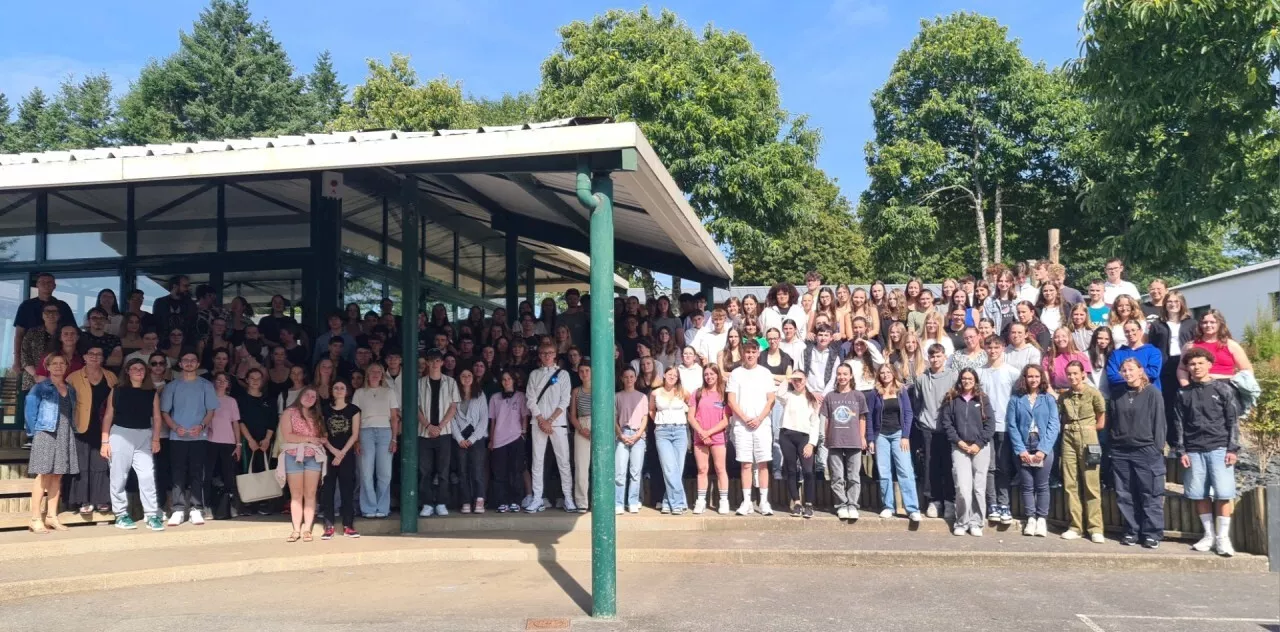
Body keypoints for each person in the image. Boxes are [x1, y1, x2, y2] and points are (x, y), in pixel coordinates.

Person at [1174, 347, 1242, 557]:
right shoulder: (1183, 393)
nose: (1196, 367)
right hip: (1194, 450)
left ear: (1209, 364)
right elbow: (1178, 423)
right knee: (1199, 494)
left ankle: (1223, 538)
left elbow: (1233, 420)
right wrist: (1181, 450)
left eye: (1200, 363)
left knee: (1223, 494)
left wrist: (1232, 448)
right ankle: (1208, 535)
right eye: (1192, 364)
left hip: (1220, 448)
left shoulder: (1223, 389)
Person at [101, 358, 165, 531]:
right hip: (120, 434)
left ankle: (151, 515)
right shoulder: (117, 390)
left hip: (144, 435)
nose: (138, 371)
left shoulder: (151, 392)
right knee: (118, 476)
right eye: (134, 368)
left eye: (142, 369)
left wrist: (156, 438)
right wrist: (104, 441)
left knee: (147, 476)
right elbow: (108, 415)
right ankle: (121, 514)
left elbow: (157, 417)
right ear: (127, 371)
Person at [1110, 358, 1167, 548]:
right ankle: (1131, 530)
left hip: (1146, 451)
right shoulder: (1117, 393)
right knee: (1125, 494)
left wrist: (1156, 449)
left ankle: (1152, 533)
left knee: (1150, 493)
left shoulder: (1152, 393)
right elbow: (1113, 421)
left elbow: (1160, 424)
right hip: (1121, 451)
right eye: (1124, 370)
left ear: (1140, 370)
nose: (1127, 373)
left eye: (1131, 369)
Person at [159, 351, 219, 527]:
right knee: (177, 473)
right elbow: (164, 412)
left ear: (198, 363)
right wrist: (175, 427)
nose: (189, 363)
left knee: (197, 473)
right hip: (177, 437)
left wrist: (201, 426)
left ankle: (196, 509)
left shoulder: (206, 385)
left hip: (199, 436)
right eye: (186, 360)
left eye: (193, 360)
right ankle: (177, 509)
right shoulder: (172, 386)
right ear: (180, 363)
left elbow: (211, 411)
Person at [24, 355, 78, 533]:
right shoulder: (39, 388)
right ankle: (35, 518)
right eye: (54, 363)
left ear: (67, 367)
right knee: (43, 475)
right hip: (46, 432)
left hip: (65, 433)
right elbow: (30, 411)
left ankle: (51, 517)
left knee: (57, 475)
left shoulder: (70, 389)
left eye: (62, 363)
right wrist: (36, 433)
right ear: (47, 367)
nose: (58, 366)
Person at [938, 368, 995, 537]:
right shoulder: (951, 399)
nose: (967, 381)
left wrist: (979, 443)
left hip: (980, 448)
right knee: (962, 487)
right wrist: (959, 442)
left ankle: (976, 522)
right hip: (959, 447)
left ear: (975, 380)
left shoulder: (983, 399)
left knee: (978, 487)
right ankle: (962, 521)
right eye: (964, 378)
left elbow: (990, 424)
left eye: (970, 378)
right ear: (960, 380)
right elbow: (947, 424)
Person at [1006, 364, 1059, 537]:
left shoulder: (1048, 399)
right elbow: (1012, 425)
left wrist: (1043, 450)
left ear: (1041, 378)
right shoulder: (1016, 399)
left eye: (1037, 376)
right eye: (1030, 376)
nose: (1033, 379)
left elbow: (1054, 425)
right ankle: (1031, 519)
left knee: (1042, 485)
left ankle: (1042, 519)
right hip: (1023, 444)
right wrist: (1020, 450)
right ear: (1025, 378)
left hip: (1042, 444)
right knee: (1027, 486)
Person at [1058, 361, 1107, 543]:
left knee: (1091, 483)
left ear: (1082, 374)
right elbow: (1062, 418)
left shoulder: (1093, 394)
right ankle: (1075, 526)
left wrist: (1086, 430)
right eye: (1069, 374)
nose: (1072, 377)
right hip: (1069, 437)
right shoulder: (1064, 397)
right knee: (1071, 483)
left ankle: (1095, 527)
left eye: (1075, 373)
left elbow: (1101, 422)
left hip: (1089, 436)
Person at [727, 339, 777, 516]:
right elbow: (731, 400)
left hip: (762, 425)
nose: (750, 355)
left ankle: (764, 502)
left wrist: (759, 418)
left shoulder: (765, 373)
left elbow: (771, 399)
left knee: (763, 463)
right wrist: (746, 418)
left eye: (753, 351)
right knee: (746, 464)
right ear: (743, 353)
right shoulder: (735, 374)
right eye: (747, 352)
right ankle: (747, 501)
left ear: (758, 353)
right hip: (742, 425)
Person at [64, 344, 116, 515]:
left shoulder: (111, 377)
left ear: (103, 358)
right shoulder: (73, 377)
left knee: (101, 463)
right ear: (84, 357)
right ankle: (83, 500)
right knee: (81, 464)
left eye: (98, 354)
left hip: (103, 426)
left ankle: (101, 499)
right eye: (91, 354)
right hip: (80, 426)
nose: (94, 357)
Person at [526, 343, 575, 513]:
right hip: (538, 423)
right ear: (539, 355)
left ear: (555, 354)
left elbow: (565, 400)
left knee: (563, 462)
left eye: (550, 353)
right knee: (537, 462)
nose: (547, 356)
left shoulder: (563, 375)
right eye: (543, 353)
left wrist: (550, 420)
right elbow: (530, 399)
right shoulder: (534, 374)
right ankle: (537, 498)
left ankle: (568, 498)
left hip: (558, 423)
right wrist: (541, 419)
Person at [870, 363, 921, 522]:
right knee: (884, 472)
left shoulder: (901, 391)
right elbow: (870, 417)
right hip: (881, 436)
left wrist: (905, 435)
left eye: (888, 372)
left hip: (899, 434)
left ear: (893, 374)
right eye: (882, 373)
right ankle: (888, 506)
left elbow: (908, 413)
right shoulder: (875, 393)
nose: (885, 375)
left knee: (905, 470)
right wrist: (871, 439)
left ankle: (912, 508)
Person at [277, 386, 326, 542]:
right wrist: (309, 439)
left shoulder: (317, 415)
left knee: (310, 494)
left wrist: (322, 440)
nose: (310, 398)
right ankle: (296, 529)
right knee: (296, 495)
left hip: (312, 456)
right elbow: (288, 435)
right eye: (307, 394)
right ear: (300, 395)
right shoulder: (289, 412)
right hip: (294, 455)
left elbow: (323, 434)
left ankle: (307, 529)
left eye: (313, 397)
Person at [980, 335, 1020, 526]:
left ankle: (1004, 504)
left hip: (1005, 426)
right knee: (989, 468)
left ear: (1003, 348)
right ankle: (992, 504)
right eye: (989, 347)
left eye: (996, 347)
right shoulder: (980, 372)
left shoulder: (1012, 372)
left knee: (1003, 467)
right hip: (986, 427)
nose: (993, 351)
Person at [915, 344, 957, 519]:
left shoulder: (953, 376)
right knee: (930, 466)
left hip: (947, 429)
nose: (935, 359)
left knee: (948, 465)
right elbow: (918, 401)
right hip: (928, 428)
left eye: (939, 356)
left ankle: (949, 501)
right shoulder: (921, 379)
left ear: (944, 357)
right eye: (932, 357)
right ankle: (934, 500)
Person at [417, 350, 459, 517]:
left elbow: (453, 407)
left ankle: (441, 502)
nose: (434, 364)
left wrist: (439, 427)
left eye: (437, 361)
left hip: (444, 433)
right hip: (424, 432)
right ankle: (426, 503)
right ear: (427, 363)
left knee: (443, 471)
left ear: (442, 363)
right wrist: (428, 425)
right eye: (431, 361)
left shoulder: (451, 382)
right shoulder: (419, 383)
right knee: (425, 471)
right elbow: (416, 407)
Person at [12, 272, 76, 377]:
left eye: (49, 282)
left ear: (54, 286)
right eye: (42, 282)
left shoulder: (63, 306)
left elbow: (73, 332)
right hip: (32, 359)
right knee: (33, 391)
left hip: (59, 358)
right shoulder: (26, 306)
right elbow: (19, 335)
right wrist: (17, 360)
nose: (46, 284)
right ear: (37, 285)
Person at [774, 370, 819, 518]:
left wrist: (812, 443)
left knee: (808, 471)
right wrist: (788, 378)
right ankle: (797, 502)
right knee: (791, 470)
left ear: (806, 379)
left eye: (800, 379)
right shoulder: (788, 396)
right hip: (787, 435)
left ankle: (809, 504)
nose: (797, 382)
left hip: (804, 437)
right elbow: (779, 393)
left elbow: (815, 423)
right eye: (795, 380)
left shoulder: (811, 398)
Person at [319, 379, 360, 538]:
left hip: (347, 453)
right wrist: (334, 451)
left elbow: (355, 434)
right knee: (328, 489)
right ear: (331, 391)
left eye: (342, 388)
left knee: (347, 490)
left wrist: (341, 453)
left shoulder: (354, 410)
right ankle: (328, 526)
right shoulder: (325, 410)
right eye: (335, 388)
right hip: (329, 453)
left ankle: (348, 525)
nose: (338, 390)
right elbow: (323, 434)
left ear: (347, 391)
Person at [650, 365, 693, 515]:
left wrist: (687, 418)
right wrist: (659, 421)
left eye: (675, 375)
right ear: (664, 375)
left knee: (677, 469)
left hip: (680, 431)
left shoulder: (682, 392)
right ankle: (679, 503)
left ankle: (668, 501)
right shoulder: (655, 393)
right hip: (662, 432)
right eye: (670, 374)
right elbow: (651, 410)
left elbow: (692, 405)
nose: (672, 377)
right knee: (669, 468)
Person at [1147, 291, 1195, 422]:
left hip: (1185, 365)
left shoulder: (1191, 323)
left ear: (1182, 304)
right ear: (1165, 304)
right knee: (1167, 400)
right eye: (1169, 302)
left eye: (1176, 301)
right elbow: (1151, 346)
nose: (1173, 304)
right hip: (1164, 366)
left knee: (1186, 398)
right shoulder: (1157, 324)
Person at [691, 364, 730, 515]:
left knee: (720, 469)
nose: (709, 377)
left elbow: (725, 420)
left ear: (717, 375)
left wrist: (709, 433)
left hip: (718, 437)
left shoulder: (723, 394)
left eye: (712, 374)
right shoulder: (698, 393)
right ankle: (701, 501)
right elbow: (691, 416)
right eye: (706, 374)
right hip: (700, 437)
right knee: (702, 469)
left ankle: (724, 501)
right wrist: (702, 432)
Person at [237, 368, 276, 516]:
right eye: (251, 378)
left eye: (258, 378)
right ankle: (247, 502)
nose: (255, 381)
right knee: (247, 469)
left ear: (262, 381)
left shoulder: (269, 400)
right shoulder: (240, 399)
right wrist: (250, 440)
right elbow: (239, 421)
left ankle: (264, 502)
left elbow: (273, 421)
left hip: (265, 441)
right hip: (248, 440)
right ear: (246, 380)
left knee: (264, 469)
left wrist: (267, 439)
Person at [1179, 310, 1253, 385]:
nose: (1208, 325)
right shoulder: (1190, 346)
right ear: (1200, 325)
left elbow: (1247, 370)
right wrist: (1187, 387)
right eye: (1205, 322)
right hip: (1199, 388)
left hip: (1227, 388)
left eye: (1212, 322)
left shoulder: (1231, 345)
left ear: (1220, 324)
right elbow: (1182, 369)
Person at [206, 373, 242, 519]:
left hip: (228, 442)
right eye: (218, 380)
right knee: (207, 475)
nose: (221, 383)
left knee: (229, 476)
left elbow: (235, 423)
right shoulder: (207, 399)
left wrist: (238, 444)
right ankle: (207, 506)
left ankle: (231, 505)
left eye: (225, 381)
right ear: (213, 382)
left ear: (228, 384)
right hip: (209, 441)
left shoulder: (232, 401)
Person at [614, 367, 650, 514]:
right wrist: (620, 435)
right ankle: (618, 503)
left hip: (638, 435)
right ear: (622, 379)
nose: (629, 379)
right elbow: (613, 418)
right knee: (620, 472)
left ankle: (633, 501)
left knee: (635, 472)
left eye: (631, 377)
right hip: (622, 433)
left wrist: (638, 435)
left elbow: (645, 418)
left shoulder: (642, 397)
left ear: (635, 378)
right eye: (626, 377)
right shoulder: (617, 396)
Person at [1106, 320, 1162, 394]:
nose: (1130, 333)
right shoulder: (1116, 354)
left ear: (1140, 331)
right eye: (1127, 331)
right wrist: (1139, 374)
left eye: (1133, 330)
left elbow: (1153, 372)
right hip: (1124, 396)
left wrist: (1125, 374)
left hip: (1148, 394)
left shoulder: (1153, 351)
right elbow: (1112, 376)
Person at [567, 362, 593, 514]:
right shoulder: (576, 391)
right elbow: (573, 415)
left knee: (599, 466)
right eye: (581, 371)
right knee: (581, 466)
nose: (584, 374)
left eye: (587, 371)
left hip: (598, 424)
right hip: (581, 424)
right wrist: (581, 429)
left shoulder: (599, 388)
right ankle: (582, 501)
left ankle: (598, 500)